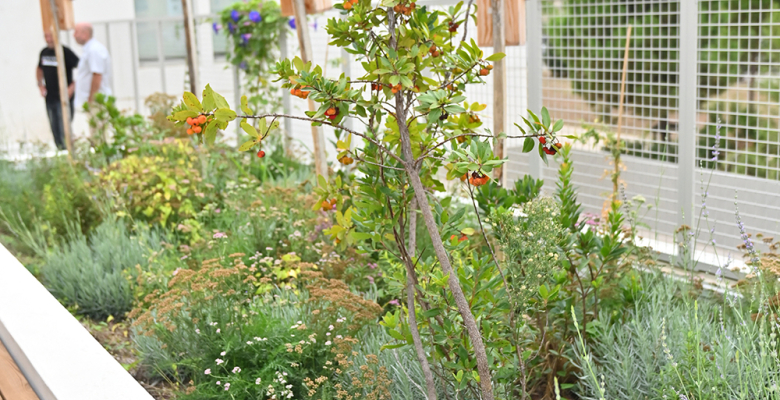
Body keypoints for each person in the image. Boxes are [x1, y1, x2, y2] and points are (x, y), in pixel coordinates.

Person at [37, 32, 79, 150]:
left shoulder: (65, 52)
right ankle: (60, 148)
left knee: (64, 124)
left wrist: (72, 87)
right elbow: (39, 69)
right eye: (46, 36)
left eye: (50, 36)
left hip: (64, 97)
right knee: (54, 124)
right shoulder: (44, 53)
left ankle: (68, 148)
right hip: (50, 96)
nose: (48, 39)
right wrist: (40, 84)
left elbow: (81, 68)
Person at [73, 22, 112, 110]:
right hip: (93, 102)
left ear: (85, 33)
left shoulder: (94, 50)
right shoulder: (89, 49)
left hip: (98, 103)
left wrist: (92, 101)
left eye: (76, 32)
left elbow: (97, 75)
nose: (74, 35)